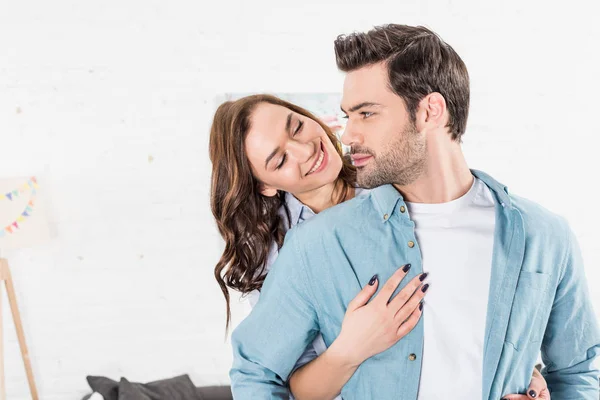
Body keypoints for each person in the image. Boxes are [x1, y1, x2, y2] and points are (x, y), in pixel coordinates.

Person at [223, 24, 600, 399]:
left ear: (429, 111)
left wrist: (531, 376)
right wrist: (348, 351)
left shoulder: (544, 234)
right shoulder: (313, 245)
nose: (347, 135)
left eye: (366, 114)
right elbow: (258, 374)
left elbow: (578, 372)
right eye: (349, 116)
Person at [210, 93, 549, 399]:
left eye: (297, 126)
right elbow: (284, 383)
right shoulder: (282, 254)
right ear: (266, 186)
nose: (305, 149)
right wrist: (352, 347)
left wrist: (524, 371)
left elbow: (464, 297)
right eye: (280, 160)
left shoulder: (395, 180)